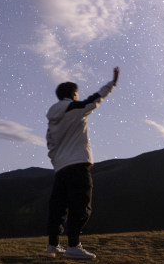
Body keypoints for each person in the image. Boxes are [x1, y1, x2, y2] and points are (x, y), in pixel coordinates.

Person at [45, 66, 119, 259]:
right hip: (78, 165)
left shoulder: (52, 120)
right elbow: (95, 99)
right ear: (73, 94)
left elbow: (50, 145)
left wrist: (57, 163)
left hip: (60, 169)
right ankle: (73, 245)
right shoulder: (75, 109)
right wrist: (112, 83)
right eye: (77, 93)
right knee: (81, 206)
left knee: (58, 208)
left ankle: (53, 245)